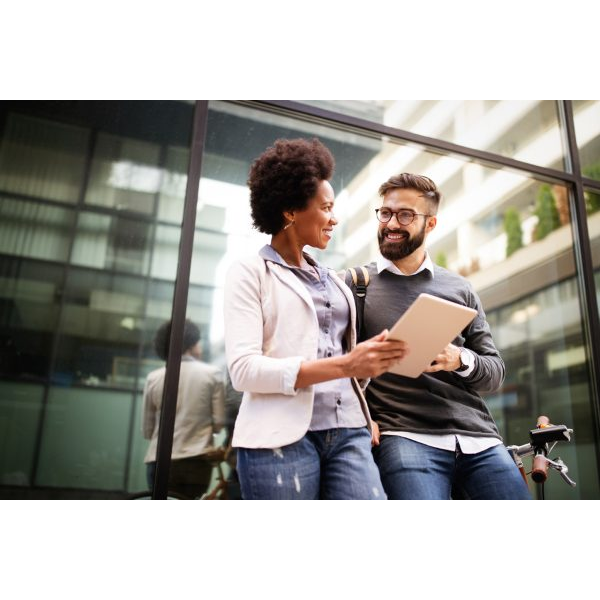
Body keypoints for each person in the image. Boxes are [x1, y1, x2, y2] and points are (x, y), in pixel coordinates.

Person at [223, 138, 408, 500]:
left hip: (349, 431)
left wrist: (370, 364)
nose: (334, 218)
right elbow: (243, 370)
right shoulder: (250, 272)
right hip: (279, 438)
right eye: (326, 207)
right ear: (291, 211)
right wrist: (345, 365)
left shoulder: (334, 282)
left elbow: (340, 355)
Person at [352, 172, 531, 500]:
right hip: (404, 436)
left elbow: (494, 373)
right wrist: (362, 419)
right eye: (386, 213)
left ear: (430, 224)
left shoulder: (459, 288)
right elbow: (337, 368)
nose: (391, 223)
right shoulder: (356, 285)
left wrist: (458, 359)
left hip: (480, 439)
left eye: (405, 215)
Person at [142, 319, 225, 498]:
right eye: (199, 343)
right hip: (197, 462)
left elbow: (148, 431)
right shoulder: (213, 375)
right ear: (192, 344)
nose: (201, 349)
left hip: (158, 460)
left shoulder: (153, 378)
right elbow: (219, 423)